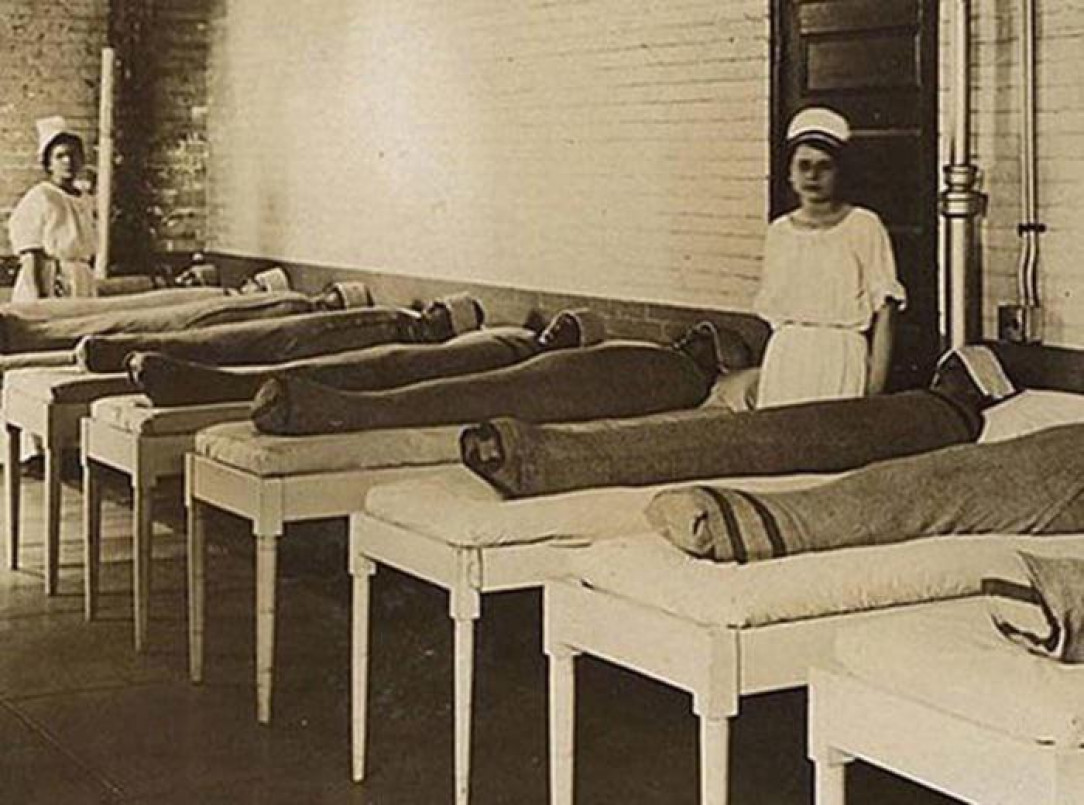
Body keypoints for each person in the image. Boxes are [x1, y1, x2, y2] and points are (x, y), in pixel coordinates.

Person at [753, 107, 906, 408]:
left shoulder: (864, 226)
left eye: (825, 166)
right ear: (790, 174)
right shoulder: (779, 232)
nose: (813, 175)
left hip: (841, 358)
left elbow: (886, 316)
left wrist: (874, 392)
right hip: (787, 361)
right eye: (804, 165)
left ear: (840, 172)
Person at [7, 116, 97, 301]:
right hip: (51, 279)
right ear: (48, 163)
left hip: (81, 280)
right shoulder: (40, 196)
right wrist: (38, 294)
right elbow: (30, 252)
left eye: (73, 155)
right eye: (60, 156)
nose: (68, 161)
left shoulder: (85, 200)